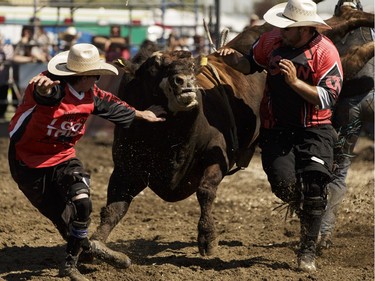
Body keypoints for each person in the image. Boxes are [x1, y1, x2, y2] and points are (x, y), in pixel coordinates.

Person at [8, 43, 166, 281]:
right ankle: (91, 248)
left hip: (63, 157)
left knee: (83, 203)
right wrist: (43, 92)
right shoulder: (50, 87)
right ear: (82, 75)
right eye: (94, 74)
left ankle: (69, 267)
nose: (97, 78)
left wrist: (141, 114)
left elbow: (112, 103)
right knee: (67, 224)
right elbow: (46, 96)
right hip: (28, 163)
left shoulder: (92, 94)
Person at [216, 0, 343, 272]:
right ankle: (311, 214)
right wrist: (232, 59)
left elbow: (327, 97)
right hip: (276, 129)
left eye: (288, 28)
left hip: (315, 128)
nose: (281, 30)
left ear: (305, 29)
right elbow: (250, 64)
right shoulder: (271, 40)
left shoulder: (325, 53)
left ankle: (307, 250)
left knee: (314, 187)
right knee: (282, 185)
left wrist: (296, 83)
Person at [318, 0, 374, 250]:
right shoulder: (369, 28)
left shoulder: (326, 35)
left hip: (347, 107)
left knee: (339, 172)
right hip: (372, 97)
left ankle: (325, 233)